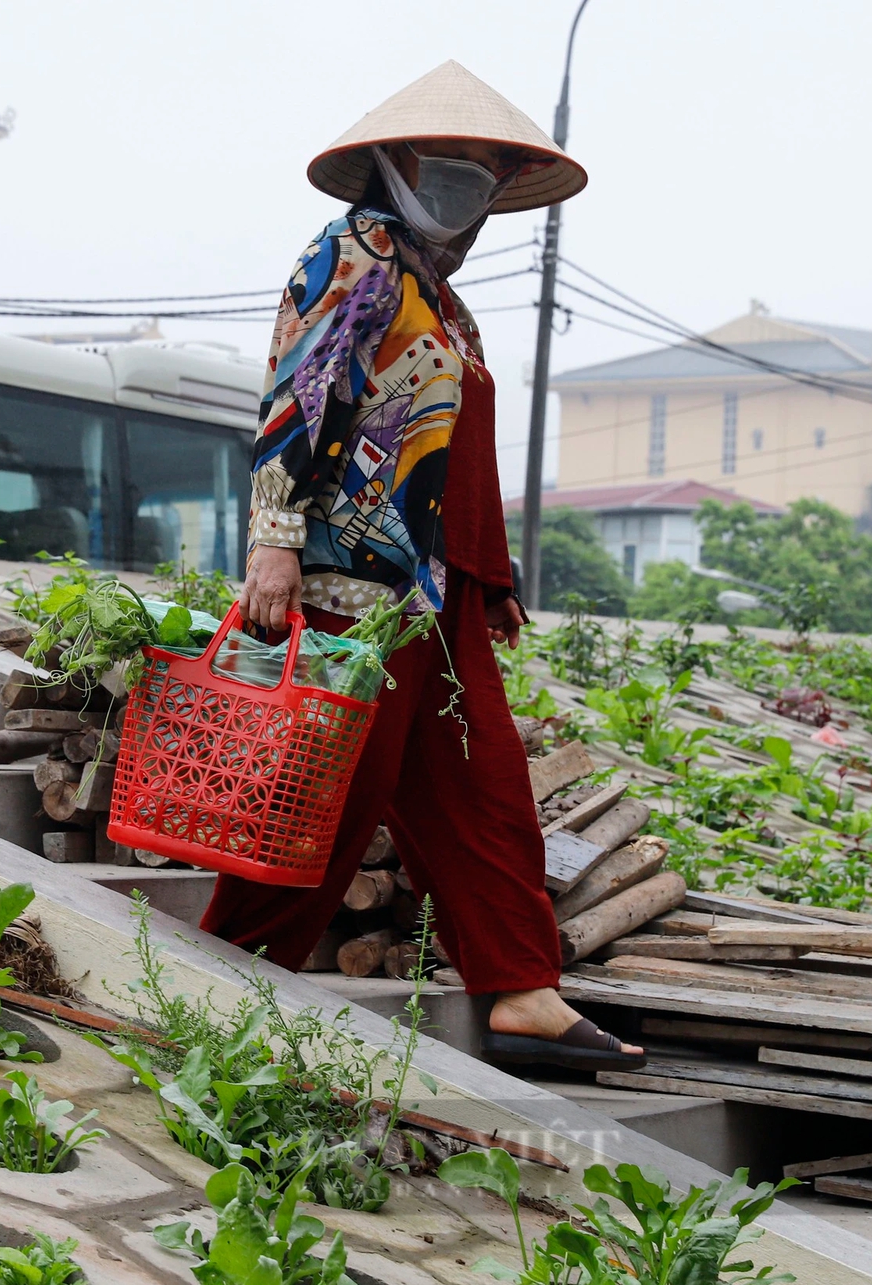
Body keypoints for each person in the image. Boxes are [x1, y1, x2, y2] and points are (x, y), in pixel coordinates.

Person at [199, 61, 644, 1071]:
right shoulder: (350, 254)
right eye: (451, 163)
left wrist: (483, 582)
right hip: (351, 579)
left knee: (484, 785)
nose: (470, 182)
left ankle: (522, 991)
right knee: (328, 792)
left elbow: (449, 450)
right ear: (394, 165)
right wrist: (271, 541)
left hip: (430, 592)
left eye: (486, 169)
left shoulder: (434, 292)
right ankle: (222, 964)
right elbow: (295, 399)